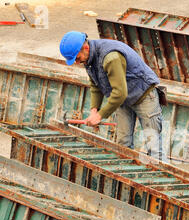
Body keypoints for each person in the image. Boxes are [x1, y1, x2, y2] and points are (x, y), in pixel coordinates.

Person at [59, 31, 164, 160]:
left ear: (85, 47)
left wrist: (100, 116)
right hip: (124, 101)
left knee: (153, 147)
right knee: (122, 145)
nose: (76, 62)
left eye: (77, 58)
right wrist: (93, 110)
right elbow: (95, 85)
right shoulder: (89, 59)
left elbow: (120, 93)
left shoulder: (110, 57)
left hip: (143, 95)